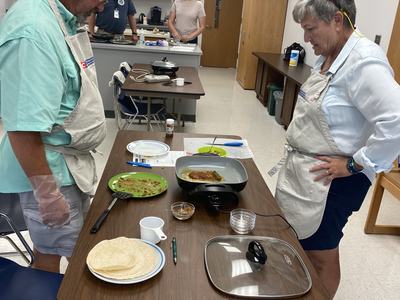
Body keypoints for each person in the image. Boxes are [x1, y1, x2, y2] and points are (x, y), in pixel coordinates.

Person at [274, 0, 400, 298]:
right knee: (302, 240)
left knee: (321, 250)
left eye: (310, 29)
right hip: (308, 169)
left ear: (337, 20)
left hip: (335, 179)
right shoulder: (329, 56)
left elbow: (396, 119)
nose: (305, 39)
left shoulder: (364, 62)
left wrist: (355, 164)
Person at [0, 0, 107, 272]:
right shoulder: (33, 31)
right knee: (71, 259)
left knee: (50, 246)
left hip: (66, 166)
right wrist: (48, 195)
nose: (102, 8)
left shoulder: (60, 19)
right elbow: (23, 128)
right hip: (50, 172)